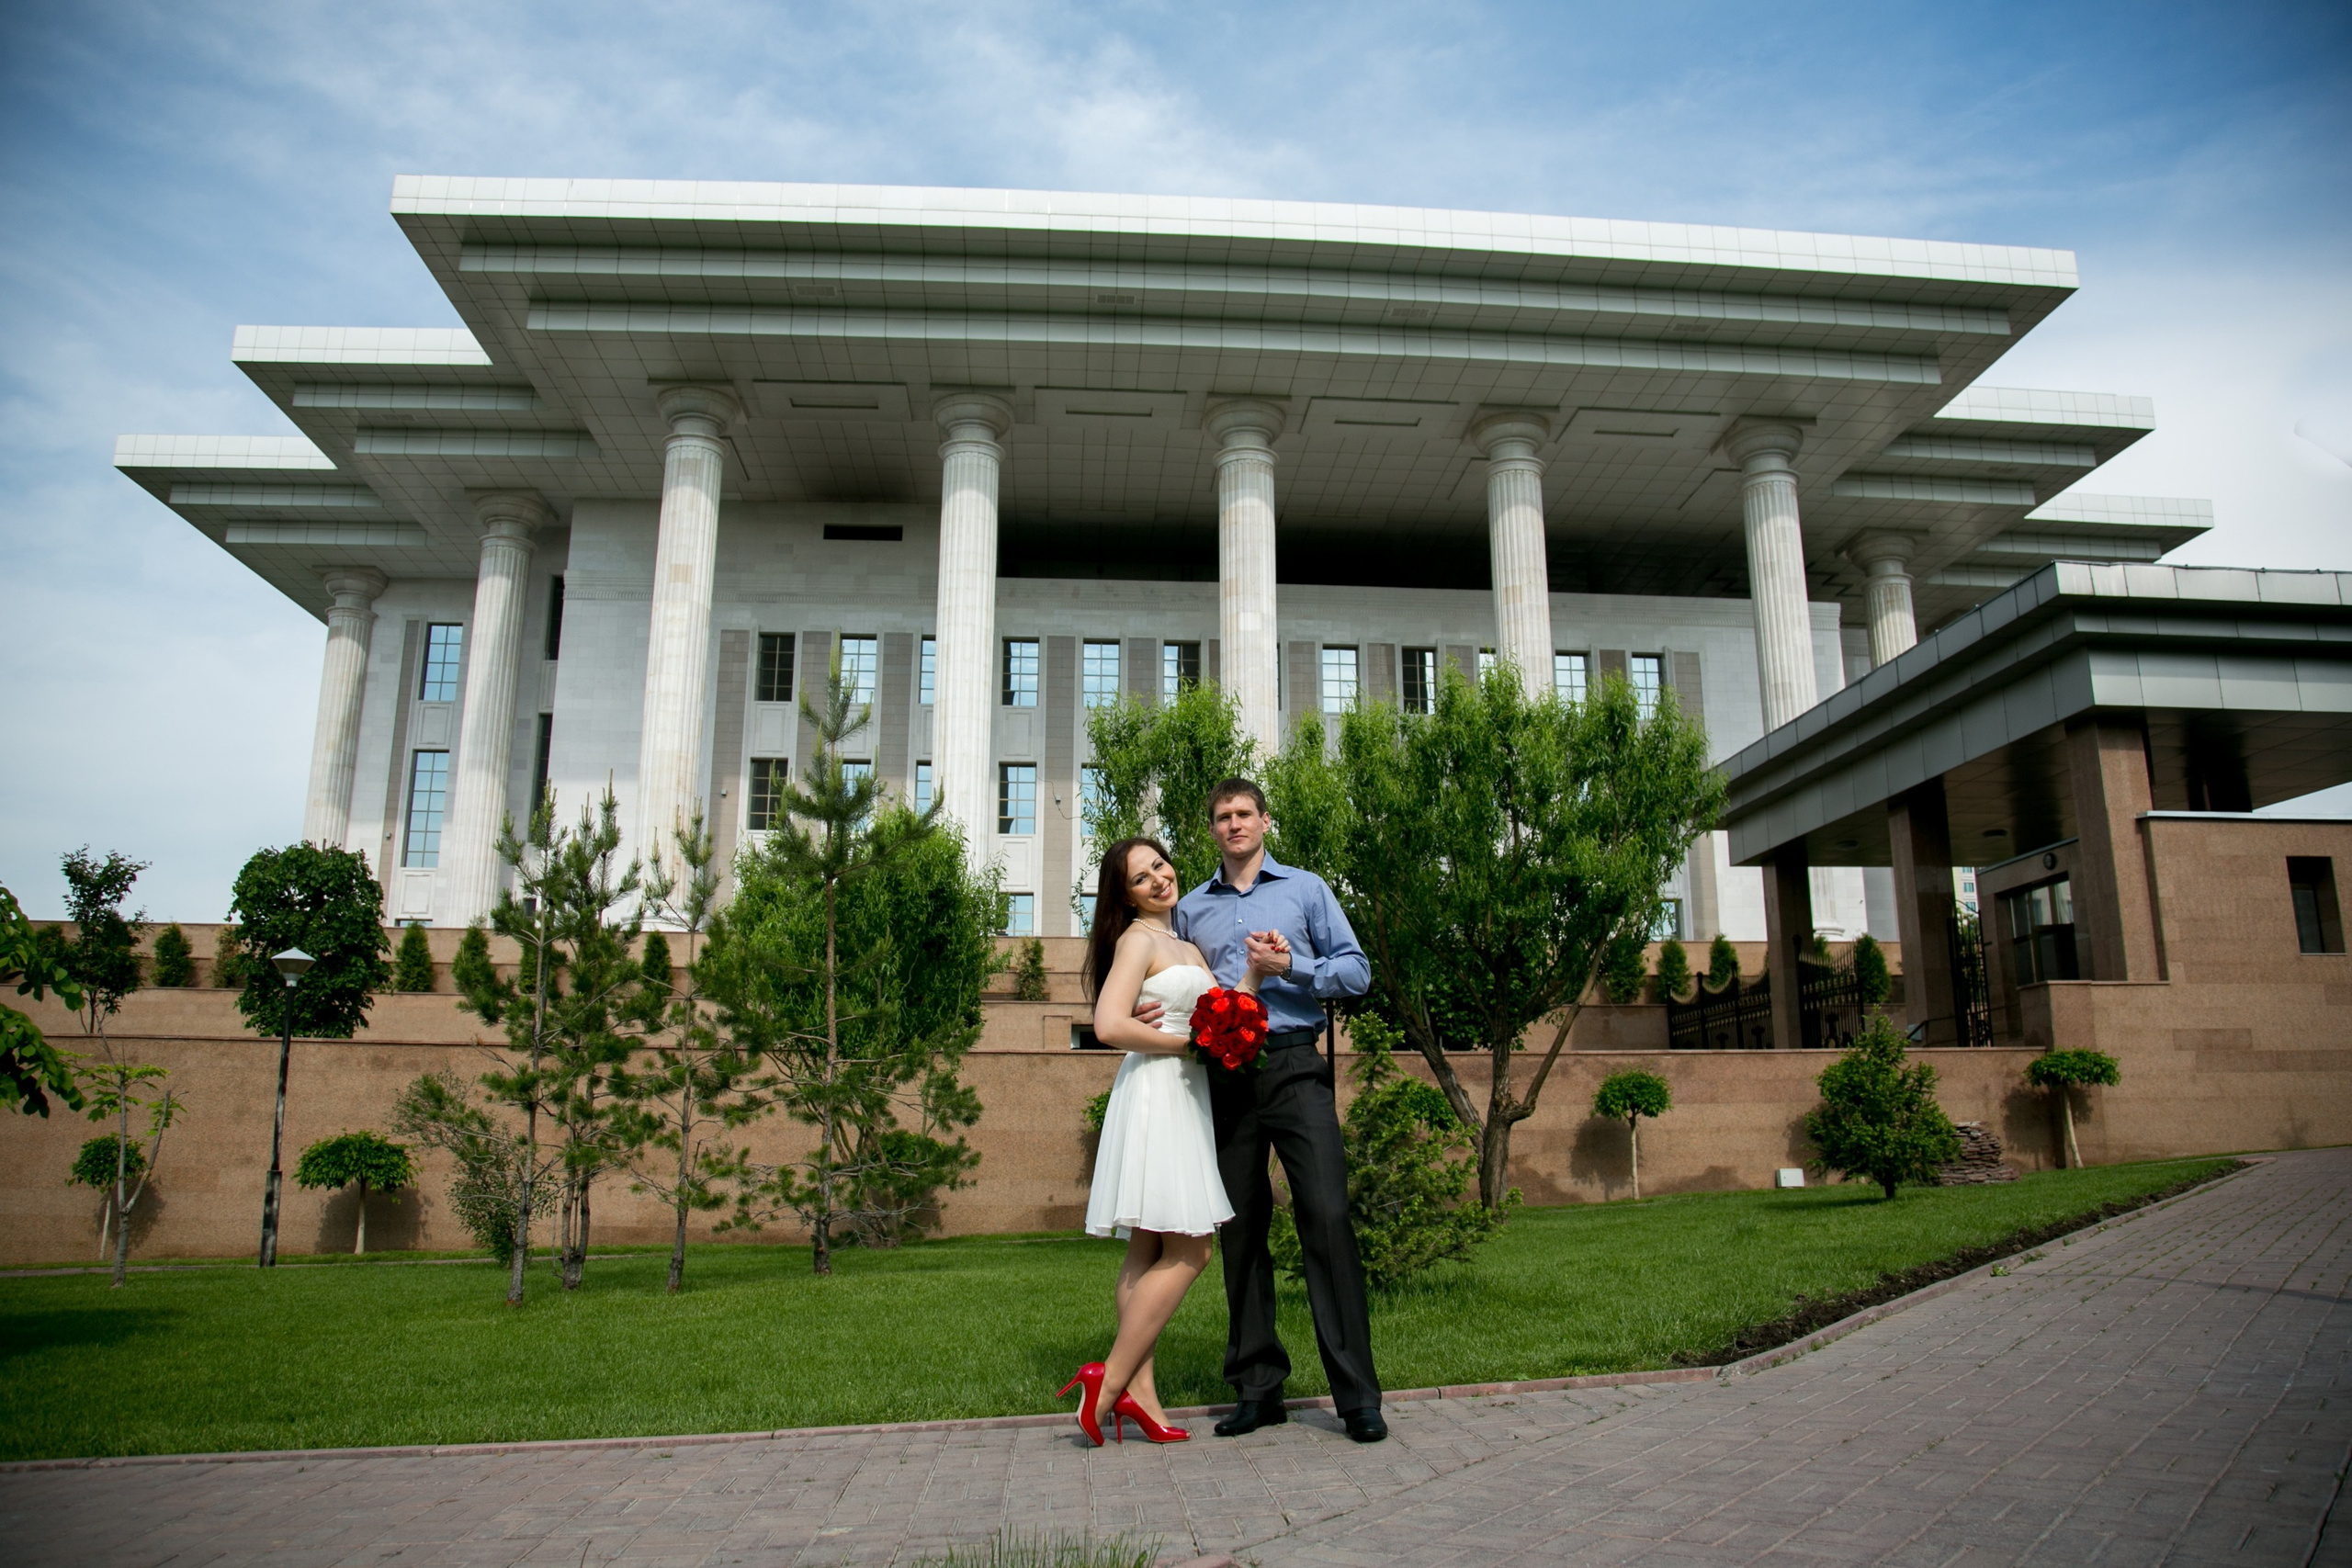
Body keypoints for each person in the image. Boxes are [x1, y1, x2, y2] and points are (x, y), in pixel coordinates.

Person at [1133, 778, 1385, 1444]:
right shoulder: (1190, 908)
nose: (1234, 824)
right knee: (1240, 1230)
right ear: (1211, 829)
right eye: (1223, 816)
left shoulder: (1307, 889)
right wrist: (1141, 1010)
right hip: (1224, 1075)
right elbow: (1165, 972)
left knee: (1327, 1217)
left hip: (1296, 1064)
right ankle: (1257, 1389)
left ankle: (1357, 1397)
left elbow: (1356, 972)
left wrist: (1291, 965)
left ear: (1265, 821)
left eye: (1244, 813)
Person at [1062, 835, 1279, 1447]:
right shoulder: (1137, 939)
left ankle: (1143, 1396)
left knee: (1147, 1249)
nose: (1159, 878)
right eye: (1141, 877)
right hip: (1158, 1094)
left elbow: (1221, 1012)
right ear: (1125, 896)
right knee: (1192, 1251)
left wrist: (1255, 974)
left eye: (1159, 864)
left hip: (1184, 1093)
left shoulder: (1183, 942)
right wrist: (1188, 1044)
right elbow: (1109, 1024)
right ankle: (1107, 1382)